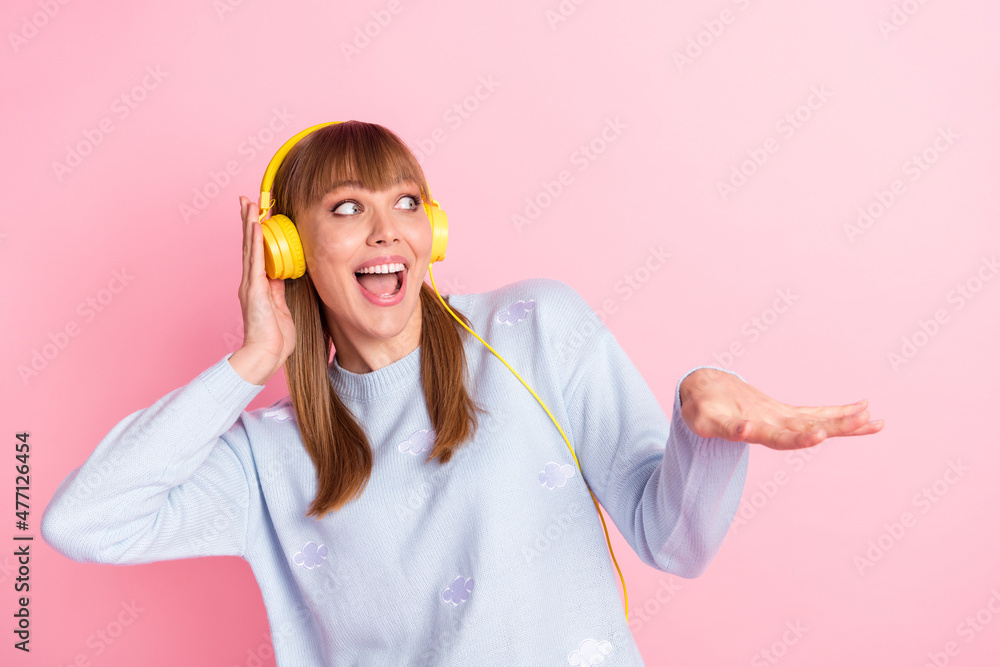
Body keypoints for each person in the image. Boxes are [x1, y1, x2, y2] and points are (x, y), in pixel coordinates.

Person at [41, 121, 884, 666]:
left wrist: (702, 426)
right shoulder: (269, 455)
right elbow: (81, 520)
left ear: (431, 231)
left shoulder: (533, 331)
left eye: (407, 202)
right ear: (288, 249)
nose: (388, 230)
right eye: (347, 207)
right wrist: (253, 359)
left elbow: (676, 544)